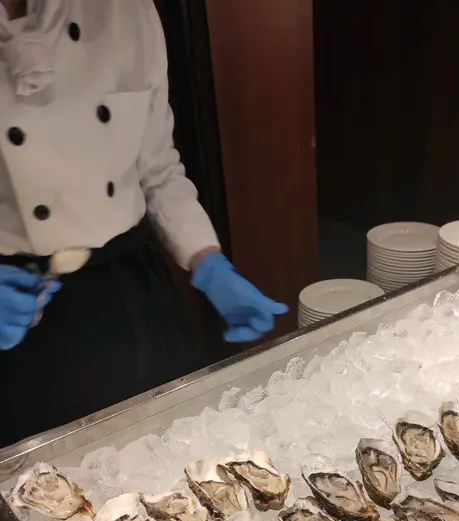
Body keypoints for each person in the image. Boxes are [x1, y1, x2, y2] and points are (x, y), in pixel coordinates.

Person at [0, 0, 287, 449]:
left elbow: (157, 168)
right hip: (18, 310)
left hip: (133, 286)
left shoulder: (127, 10)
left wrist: (208, 260)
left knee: (174, 444)